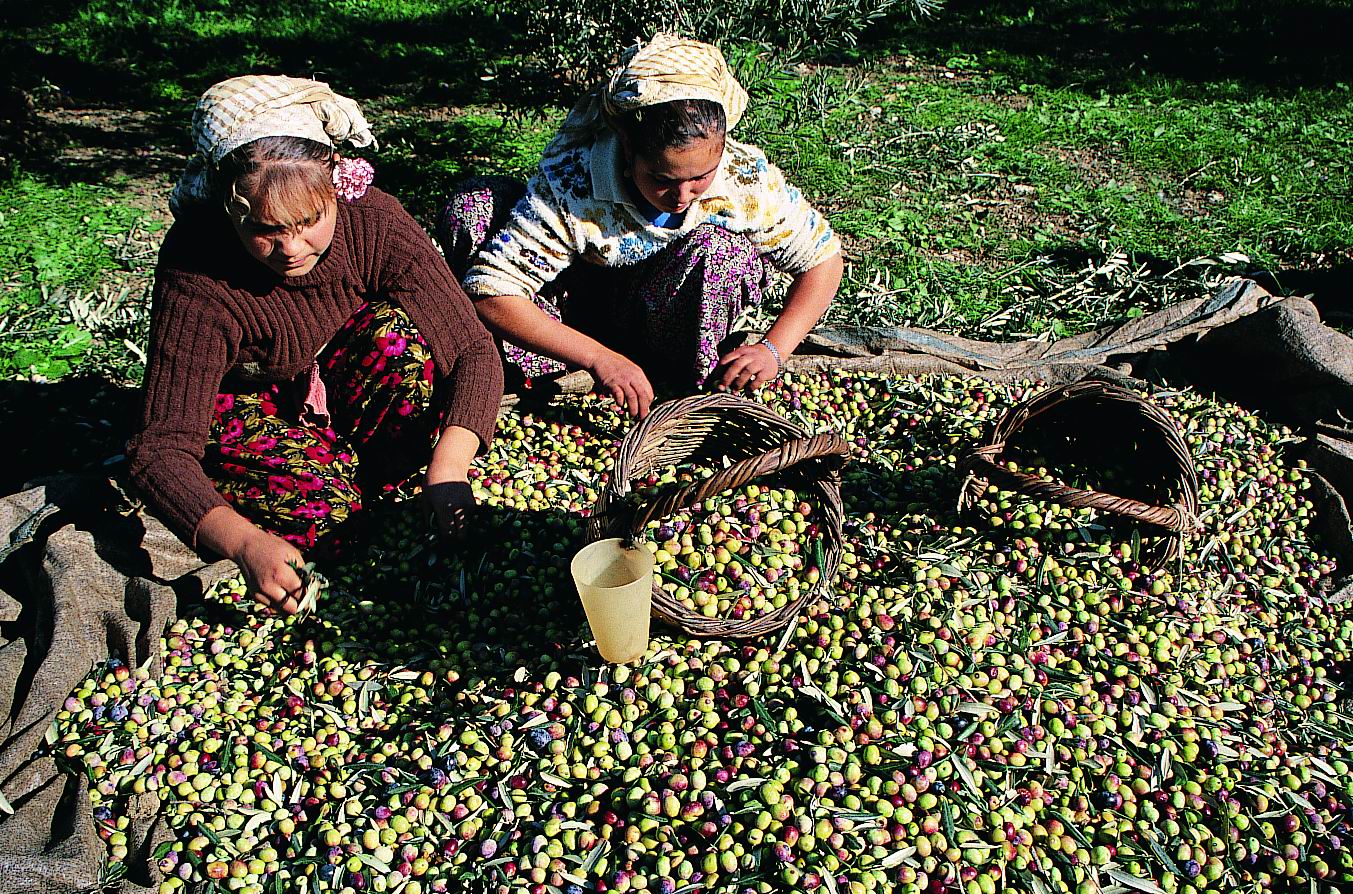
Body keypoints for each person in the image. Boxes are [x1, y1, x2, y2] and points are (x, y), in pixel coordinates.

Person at [127, 75, 504, 615]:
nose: (291, 249)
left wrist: (448, 468)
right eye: (265, 230)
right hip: (242, 396)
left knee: (398, 343)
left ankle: (371, 466)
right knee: (330, 518)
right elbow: (159, 449)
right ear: (228, 210)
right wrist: (243, 544)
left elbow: (470, 349)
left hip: (327, 366)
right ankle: (330, 477)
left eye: (308, 222)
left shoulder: (370, 220)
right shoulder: (199, 271)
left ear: (337, 185)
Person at [439, 33, 843, 418]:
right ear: (629, 151)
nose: (683, 196)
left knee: (723, 252)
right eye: (663, 180)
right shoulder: (577, 182)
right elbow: (491, 291)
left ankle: (682, 385)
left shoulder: (742, 181)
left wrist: (774, 349)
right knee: (475, 205)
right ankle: (520, 377)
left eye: (700, 177)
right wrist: (599, 357)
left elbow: (823, 258)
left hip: (666, 321)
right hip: (571, 318)